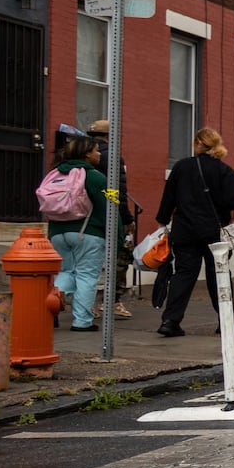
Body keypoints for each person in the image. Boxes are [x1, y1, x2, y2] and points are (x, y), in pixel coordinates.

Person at [154, 128, 234, 338]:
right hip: (214, 232)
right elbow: (233, 201)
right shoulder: (223, 170)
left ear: (197, 143)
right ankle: (226, 320)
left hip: (185, 231)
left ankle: (171, 320)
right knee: (219, 275)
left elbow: (168, 197)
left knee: (183, 275)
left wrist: (162, 221)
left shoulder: (181, 167)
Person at [46, 135, 109, 332]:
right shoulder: (96, 177)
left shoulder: (55, 173)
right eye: (96, 150)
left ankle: (49, 311)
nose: (99, 154)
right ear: (87, 154)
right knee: (86, 276)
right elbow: (111, 206)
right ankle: (82, 322)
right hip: (87, 233)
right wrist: (118, 234)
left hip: (58, 233)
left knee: (66, 272)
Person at [86, 119, 135, 319]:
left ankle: (86, 304)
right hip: (109, 213)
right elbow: (118, 191)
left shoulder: (83, 156)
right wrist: (126, 217)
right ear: (110, 136)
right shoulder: (113, 156)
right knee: (119, 257)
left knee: (87, 262)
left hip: (85, 215)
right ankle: (112, 301)